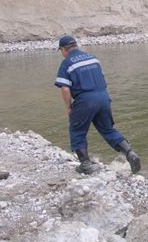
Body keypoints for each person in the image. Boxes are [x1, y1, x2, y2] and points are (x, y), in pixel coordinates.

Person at [54, 35, 141, 175]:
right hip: (103, 97)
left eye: (61, 51)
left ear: (64, 49)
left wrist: (69, 107)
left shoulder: (67, 63)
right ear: (76, 46)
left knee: (77, 130)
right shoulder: (93, 58)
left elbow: (65, 88)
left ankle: (85, 164)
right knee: (107, 129)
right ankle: (130, 153)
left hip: (85, 99)